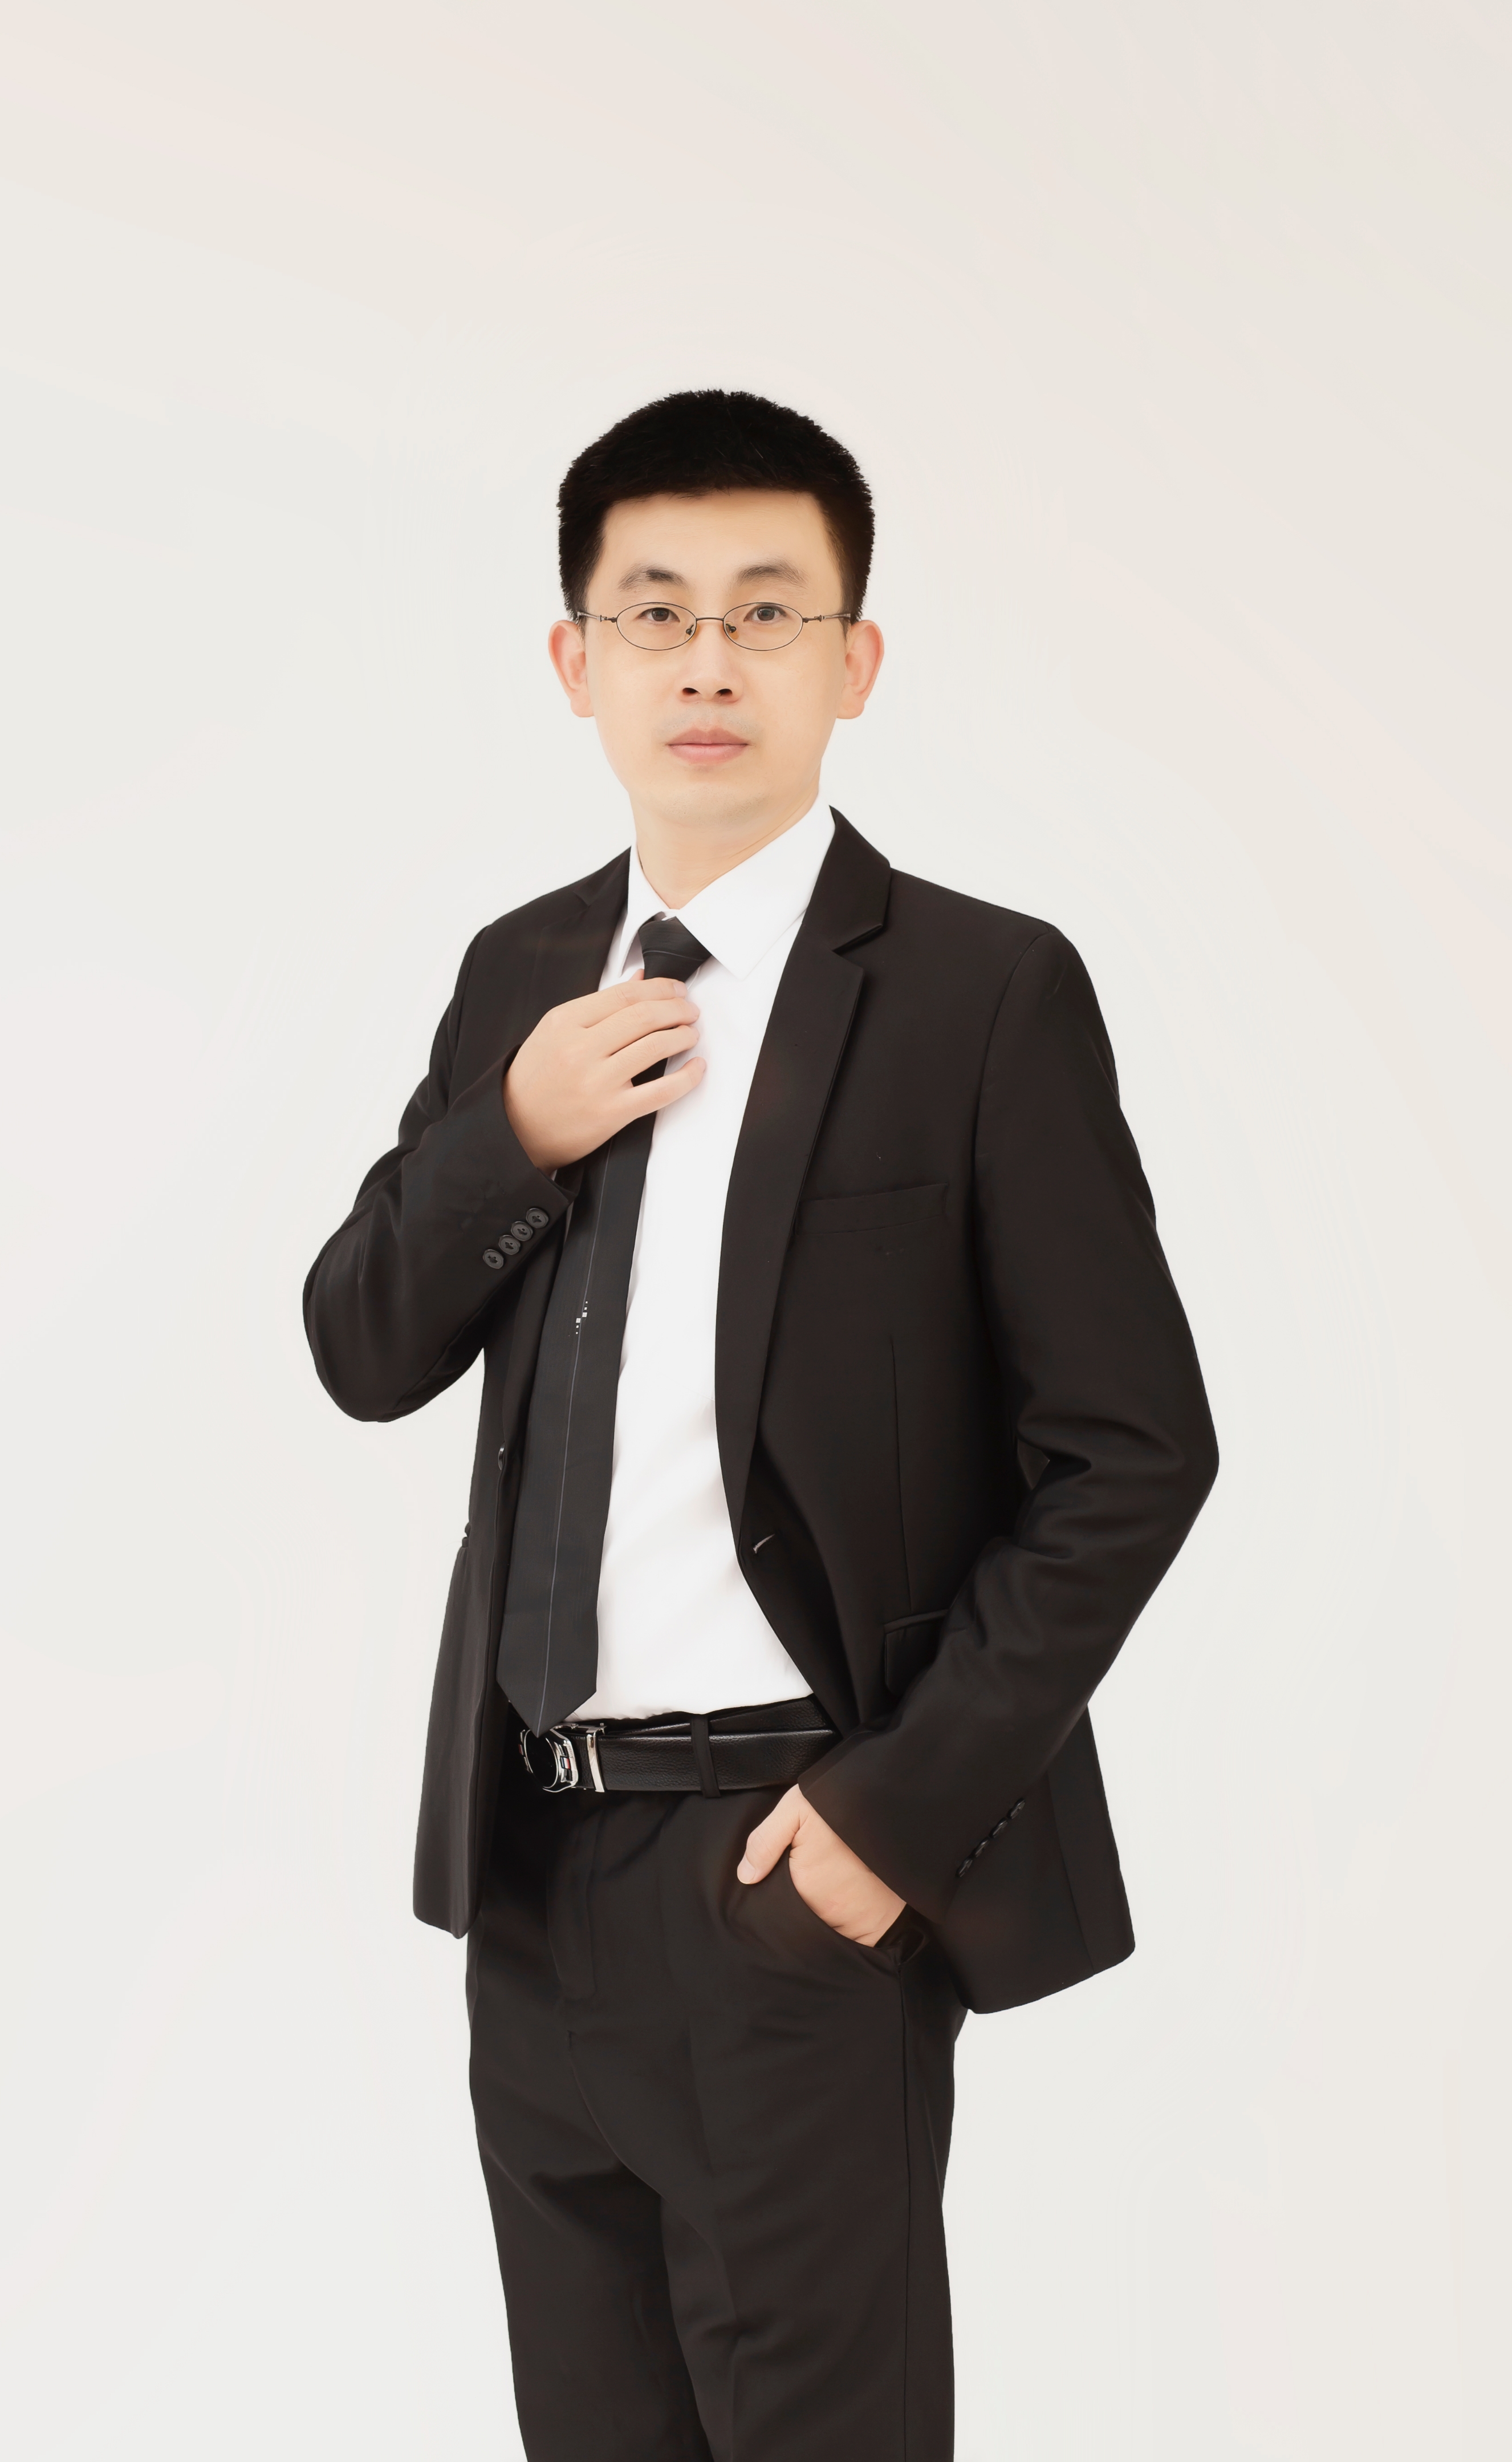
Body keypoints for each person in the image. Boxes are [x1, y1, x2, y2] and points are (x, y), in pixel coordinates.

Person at [304, 388, 1217, 2462]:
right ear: (577, 662)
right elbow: (361, 1345)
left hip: (790, 1874)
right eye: (654, 613)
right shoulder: (521, 978)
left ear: (851, 660)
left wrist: (889, 1823)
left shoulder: (982, 993)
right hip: (530, 1873)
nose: (705, 661)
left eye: (764, 611)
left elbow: (1133, 1452)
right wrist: (511, 1132)